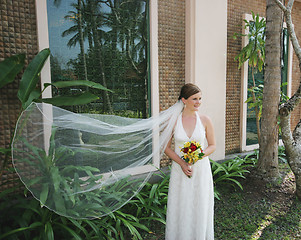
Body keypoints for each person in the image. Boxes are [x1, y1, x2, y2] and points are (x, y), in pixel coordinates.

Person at [164, 83, 216, 240]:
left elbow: (213, 145)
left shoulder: (205, 120)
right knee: (181, 204)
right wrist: (182, 163)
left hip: (201, 170)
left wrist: (198, 156)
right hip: (180, 170)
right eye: (194, 99)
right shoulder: (173, 121)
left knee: (200, 204)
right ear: (184, 100)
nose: (198, 102)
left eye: (200, 98)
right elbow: (166, 148)